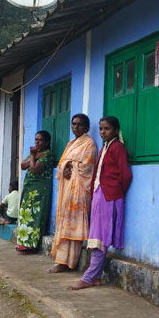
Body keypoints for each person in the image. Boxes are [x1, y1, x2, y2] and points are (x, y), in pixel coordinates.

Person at [69, 116, 132, 290]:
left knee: (99, 237)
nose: (103, 132)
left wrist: (116, 192)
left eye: (107, 129)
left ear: (115, 130)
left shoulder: (117, 148)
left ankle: (88, 277)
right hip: (99, 194)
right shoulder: (106, 147)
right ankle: (95, 276)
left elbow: (126, 175)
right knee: (96, 236)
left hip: (108, 196)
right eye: (101, 129)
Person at [48, 114, 98, 273]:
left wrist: (71, 165)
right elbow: (62, 163)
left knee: (73, 226)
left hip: (78, 191)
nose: (76, 127)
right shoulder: (71, 143)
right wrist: (67, 165)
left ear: (86, 128)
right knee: (65, 223)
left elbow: (88, 166)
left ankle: (69, 262)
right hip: (67, 190)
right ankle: (61, 260)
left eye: (80, 125)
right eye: (73, 124)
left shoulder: (89, 144)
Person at [15, 131, 54, 253]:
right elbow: (22, 165)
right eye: (36, 139)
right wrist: (33, 156)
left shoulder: (47, 154)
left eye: (40, 140)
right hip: (29, 187)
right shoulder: (35, 153)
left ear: (46, 142)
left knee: (36, 214)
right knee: (25, 213)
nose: (37, 142)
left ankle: (31, 244)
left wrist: (33, 156)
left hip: (40, 188)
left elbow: (34, 168)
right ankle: (23, 241)